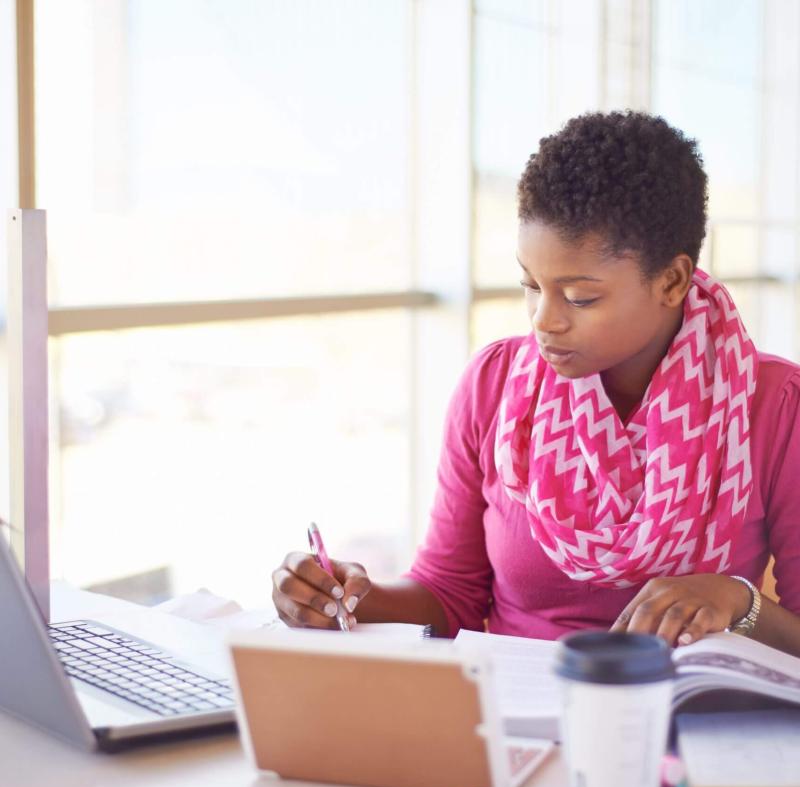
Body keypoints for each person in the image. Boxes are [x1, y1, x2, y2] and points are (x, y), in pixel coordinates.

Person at [272, 111, 800, 658]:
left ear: (671, 281)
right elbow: (448, 593)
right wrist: (343, 597)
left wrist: (738, 601)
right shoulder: (495, 385)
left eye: (579, 298)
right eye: (531, 286)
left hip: (682, 721)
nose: (544, 321)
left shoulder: (773, 407)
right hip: (506, 714)